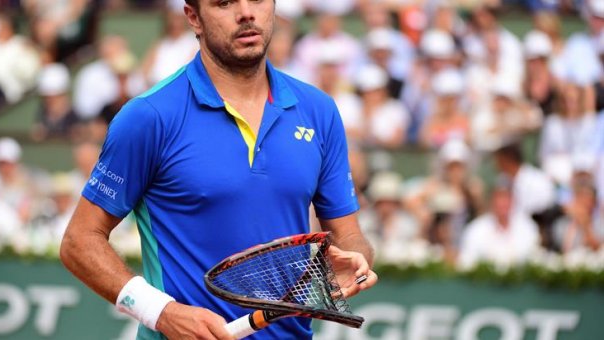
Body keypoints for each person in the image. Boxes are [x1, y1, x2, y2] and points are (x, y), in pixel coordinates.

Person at [59, 1, 377, 340]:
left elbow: (349, 235)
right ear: (194, 17)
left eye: (257, 0)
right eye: (224, 3)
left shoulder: (319, 111)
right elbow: (79, 242)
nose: (246, 13)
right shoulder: (149, 116)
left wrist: (354, 260)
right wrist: (162, 313)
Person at [458, 176, 541, 269]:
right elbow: (466, 263)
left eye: (506, 198)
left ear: (513, 201)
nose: (502, 203)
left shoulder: (528, 228)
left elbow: (533, 259)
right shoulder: (475, 229)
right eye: (499, 198)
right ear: (491, 201)